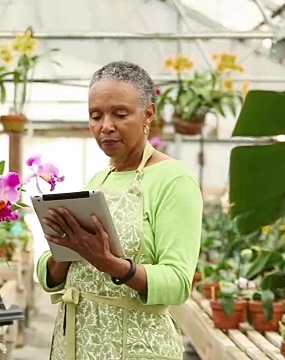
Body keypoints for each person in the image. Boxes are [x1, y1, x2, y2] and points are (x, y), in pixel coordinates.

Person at [36, 61, 203, 360]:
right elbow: (63, 270)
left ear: (147, 114)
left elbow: (178, 282)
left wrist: (112, 264)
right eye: (95, 115)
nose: (106, 126)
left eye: (120, 114)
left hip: (135, 347)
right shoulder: (100, 179)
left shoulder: (174, 180)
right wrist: (64, 249)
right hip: (77, 342)